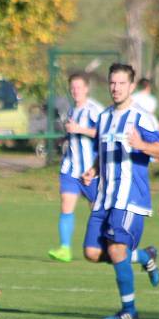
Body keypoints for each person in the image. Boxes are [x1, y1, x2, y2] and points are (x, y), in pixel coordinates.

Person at [82, 63, 159, 319]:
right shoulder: (104, 116)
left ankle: (129, 311)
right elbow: (104, 151)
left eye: (121, 83)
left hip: (130, 197)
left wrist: (142, 144)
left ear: (132, 86)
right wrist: (93, 169)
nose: (116, 88)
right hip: (104, 196)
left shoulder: (141, 116)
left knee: (118, 249)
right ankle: (145, 256)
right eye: (112, 83)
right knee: (92, 253)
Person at [48, 72, 103, 263]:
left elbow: (103, 133)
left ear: (86, 88)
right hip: (70, 169)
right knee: (66, 205)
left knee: (97, 210)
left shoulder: (94, 109)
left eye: (79, 87)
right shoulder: (72, 110)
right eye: (72, 87)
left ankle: (102, 244)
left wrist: (80, 129)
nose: (75, 90)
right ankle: (65, 249)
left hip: (92, 171)